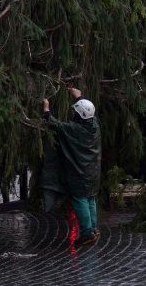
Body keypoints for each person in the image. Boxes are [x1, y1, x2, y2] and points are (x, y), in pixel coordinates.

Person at [43, 88, 101, 247]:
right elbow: (87, 113)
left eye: (76, 111)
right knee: (90, 198)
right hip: (93, 173)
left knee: (80, 199)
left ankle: (87, 233)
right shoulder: (95, 125)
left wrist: (46, 108)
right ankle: (93, 229)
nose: (74, 114)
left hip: (79, 174)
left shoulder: (74, 129)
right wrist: (80, 97)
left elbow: (54, 123)